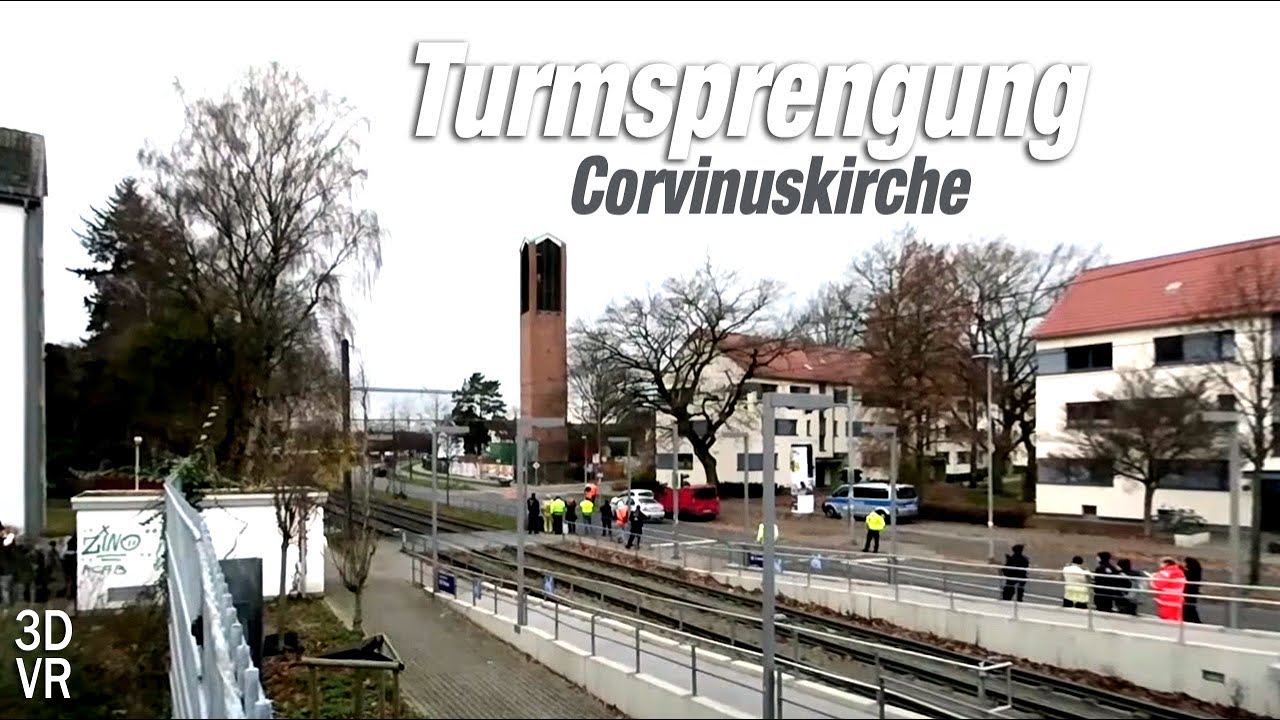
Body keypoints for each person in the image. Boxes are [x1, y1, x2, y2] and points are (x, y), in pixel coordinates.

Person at [1150, 556, 1187, 623]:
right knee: (1176, 619)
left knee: (1167, 619)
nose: (1159, 565)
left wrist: (1152, 579)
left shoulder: (1165, 573)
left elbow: (1156, 585)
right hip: (1177, 599)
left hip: (1166, 600)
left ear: (1166, 563)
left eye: (1160, 563)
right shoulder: (1180, 572)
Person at [1182, 557, 1203, 624]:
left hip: (1189, 592)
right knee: (1190, 607)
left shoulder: (1191, 572)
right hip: (1193, 592)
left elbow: (1187, 577)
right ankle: (1193, 620)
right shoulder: (1196, 570)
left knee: (1188, 607)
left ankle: (1193, 621)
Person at [62, 534, 77, 602]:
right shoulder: (76, 555)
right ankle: (73, 594)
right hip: (74, 571)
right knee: (73, 582)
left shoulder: (66, 554)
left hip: (68, 571)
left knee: (69, 583)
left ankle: (70, 595)